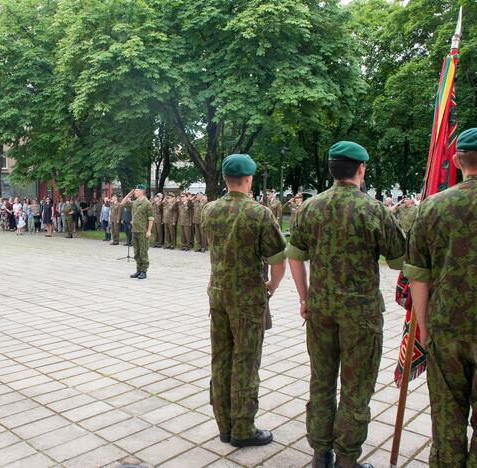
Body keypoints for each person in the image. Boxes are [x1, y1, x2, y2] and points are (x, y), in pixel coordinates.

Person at [287, 141, 405, 468]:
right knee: (356, 387)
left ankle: (320, 454)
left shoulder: (310, 208)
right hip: (362, 314)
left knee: (321, 381)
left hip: (320, 310)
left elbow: (295, 257)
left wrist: (304, 297)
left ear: (331, 170)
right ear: (361, 169)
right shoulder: (374, 210)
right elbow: (398, 262)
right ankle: (347, 459)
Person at [202, 153, 286, 449]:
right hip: (248, 298)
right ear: (248, 179)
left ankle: (223, 425)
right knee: (246, 362)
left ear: (226, 179)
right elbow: (278, 260)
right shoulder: (259, 213)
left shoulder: (209, 210)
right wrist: (271, 288)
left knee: (221, 359)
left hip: (218, 294)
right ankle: (243, 429)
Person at [403, 128, 477, 467]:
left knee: (447, 418)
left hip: (445, 327)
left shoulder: (432, 207)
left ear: (456, 160)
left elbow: (417, 274)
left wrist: (423, 328)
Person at [121, 184, 154, 279]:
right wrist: (129, 194)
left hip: (143, 231)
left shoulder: (147, 203)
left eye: (136, 190)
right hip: (134, 230)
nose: (135, 192)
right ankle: (138, 270)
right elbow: (122, 203)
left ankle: (144, 271)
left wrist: (149, 231)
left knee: (143, 252)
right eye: (134, 190)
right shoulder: (134, 203)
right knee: (136, 252)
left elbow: (151, 218)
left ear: (141, 191)